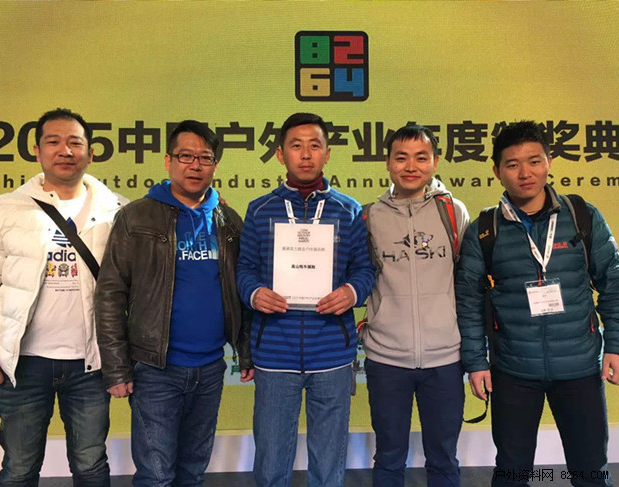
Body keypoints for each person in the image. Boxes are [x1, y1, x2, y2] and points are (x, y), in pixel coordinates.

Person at [456, 121, 619, 486]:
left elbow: (613, 283)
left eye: (534, 161)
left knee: (591, 472)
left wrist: (616, 345)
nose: (525, 173)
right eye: (512, 164)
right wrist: (476, 363)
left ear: (549, 163)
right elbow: (467, 302)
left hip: (579, 367)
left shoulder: (582, 216)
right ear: (497, 171)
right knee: (512, 473)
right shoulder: (484, 229)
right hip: (513, 371)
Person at [0, 108, 124, 486]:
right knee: (19, 467)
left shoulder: (118, 210)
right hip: (23, 364)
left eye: (75, 143)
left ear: (91, 153)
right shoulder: (1, 210)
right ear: (37, 151)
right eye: (53, 142)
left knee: (91, 465)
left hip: (91, 363)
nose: (65, 150)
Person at [94, 119, 253, 486]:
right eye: (186, 156)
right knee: (156, 474)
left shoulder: (228, 221)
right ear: (168, 161)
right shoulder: (135, 217)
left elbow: (241, 293)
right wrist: (116, 368)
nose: (195, 165)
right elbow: (110, 294)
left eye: (205, 158)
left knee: (193, 472)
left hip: (211, 368)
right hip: (155, 370)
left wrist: (245, 352)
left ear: (215, 165)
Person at [237, 112, 375, 487]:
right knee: (271, 459)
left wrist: (350, 292)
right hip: (274, 351)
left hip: (332, 352)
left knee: (329, 460)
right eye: (296, 146)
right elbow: (244, 269)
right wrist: (255, 293)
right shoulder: (259, 210)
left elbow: (364, 270)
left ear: (327, 154)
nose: (306, 154)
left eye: (315, 146)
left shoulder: (348, 210)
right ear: (280, 154)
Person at [362, 125, 469, 486]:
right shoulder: (369, 216)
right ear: (387, 163)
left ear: (435, 162)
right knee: (389, 457)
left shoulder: (453, 212)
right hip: (386, 358)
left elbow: (468, 281)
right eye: (401, 158)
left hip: (445, 358)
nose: (411, 166)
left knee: (444, 457)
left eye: (421, 158)